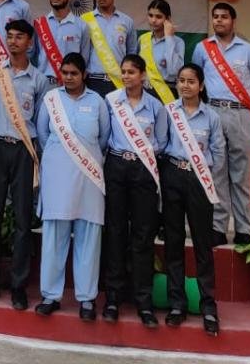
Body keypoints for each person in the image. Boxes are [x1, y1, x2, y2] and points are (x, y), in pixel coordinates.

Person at [0, 19, 48, 311]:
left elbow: (41, 121)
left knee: (22, 217)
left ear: (30, 43)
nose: (14, 41)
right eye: (10, 36)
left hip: (23, 150)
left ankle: (19, 284)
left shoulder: (39, 80)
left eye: (20, 37)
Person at [34, 52, 110, 321]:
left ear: (84, 75)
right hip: (57, 177)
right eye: (64, 73)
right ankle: (50, 296)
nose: (68, 78)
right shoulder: (51, 100)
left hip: (89, 179)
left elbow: (104, 138)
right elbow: (42, 134)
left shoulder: (97, 102)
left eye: (73, 73)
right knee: (54, 237)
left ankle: (87, 298)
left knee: (89, 237)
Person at [102, 53, 168, 327]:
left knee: (143, 235)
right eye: (124, 72)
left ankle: (143, 301)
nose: (126, 76)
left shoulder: (155, 107)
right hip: (116, 166)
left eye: (131, 72)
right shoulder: (111, 101)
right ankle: (113, 298)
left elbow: (161, 142)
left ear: (142, 75)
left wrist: (142, 156)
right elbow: (104, 135)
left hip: (144, 170)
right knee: (116, 231)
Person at [192, 3, 250, 245]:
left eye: (224, 17)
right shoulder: (203, 48)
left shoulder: (249, 51)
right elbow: (197, 80)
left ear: (233, 20)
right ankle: (218, 227)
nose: (219, 21)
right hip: (213, 113)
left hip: (241, 114)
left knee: (241, 175)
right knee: (217, 172)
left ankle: (243, 228)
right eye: (215, 17)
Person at [161, 63, 224, 336]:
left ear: (201, 85)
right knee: (173, 242)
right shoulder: (168, 112)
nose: (185, 85)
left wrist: (207, 178)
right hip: (173, 176)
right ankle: (177, 304)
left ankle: (208, 305)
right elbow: (160, 143)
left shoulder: (212, 117)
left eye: (191, 81)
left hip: (200, 181)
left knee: (202, 244)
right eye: (181, 80)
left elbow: (219, 153)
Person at [82, 0, 137, 97]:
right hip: (92, 82)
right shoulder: (84, 20)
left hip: (119, 83)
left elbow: (132, 54)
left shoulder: (127, 21)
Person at [34, 0, 90, 84]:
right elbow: (32, 56)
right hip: (43, 84)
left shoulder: (82, 26)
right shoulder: (39, 24)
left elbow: (84, 60)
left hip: (70, 85)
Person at [139, 0, 184, 102]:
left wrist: (169, 38)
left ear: (168, 19)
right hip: (145, 92)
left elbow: (174, 71)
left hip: (167, 94)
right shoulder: (143, 39)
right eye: (150, 15)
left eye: (158, 17)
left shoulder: (178, 42)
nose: (153, 20)